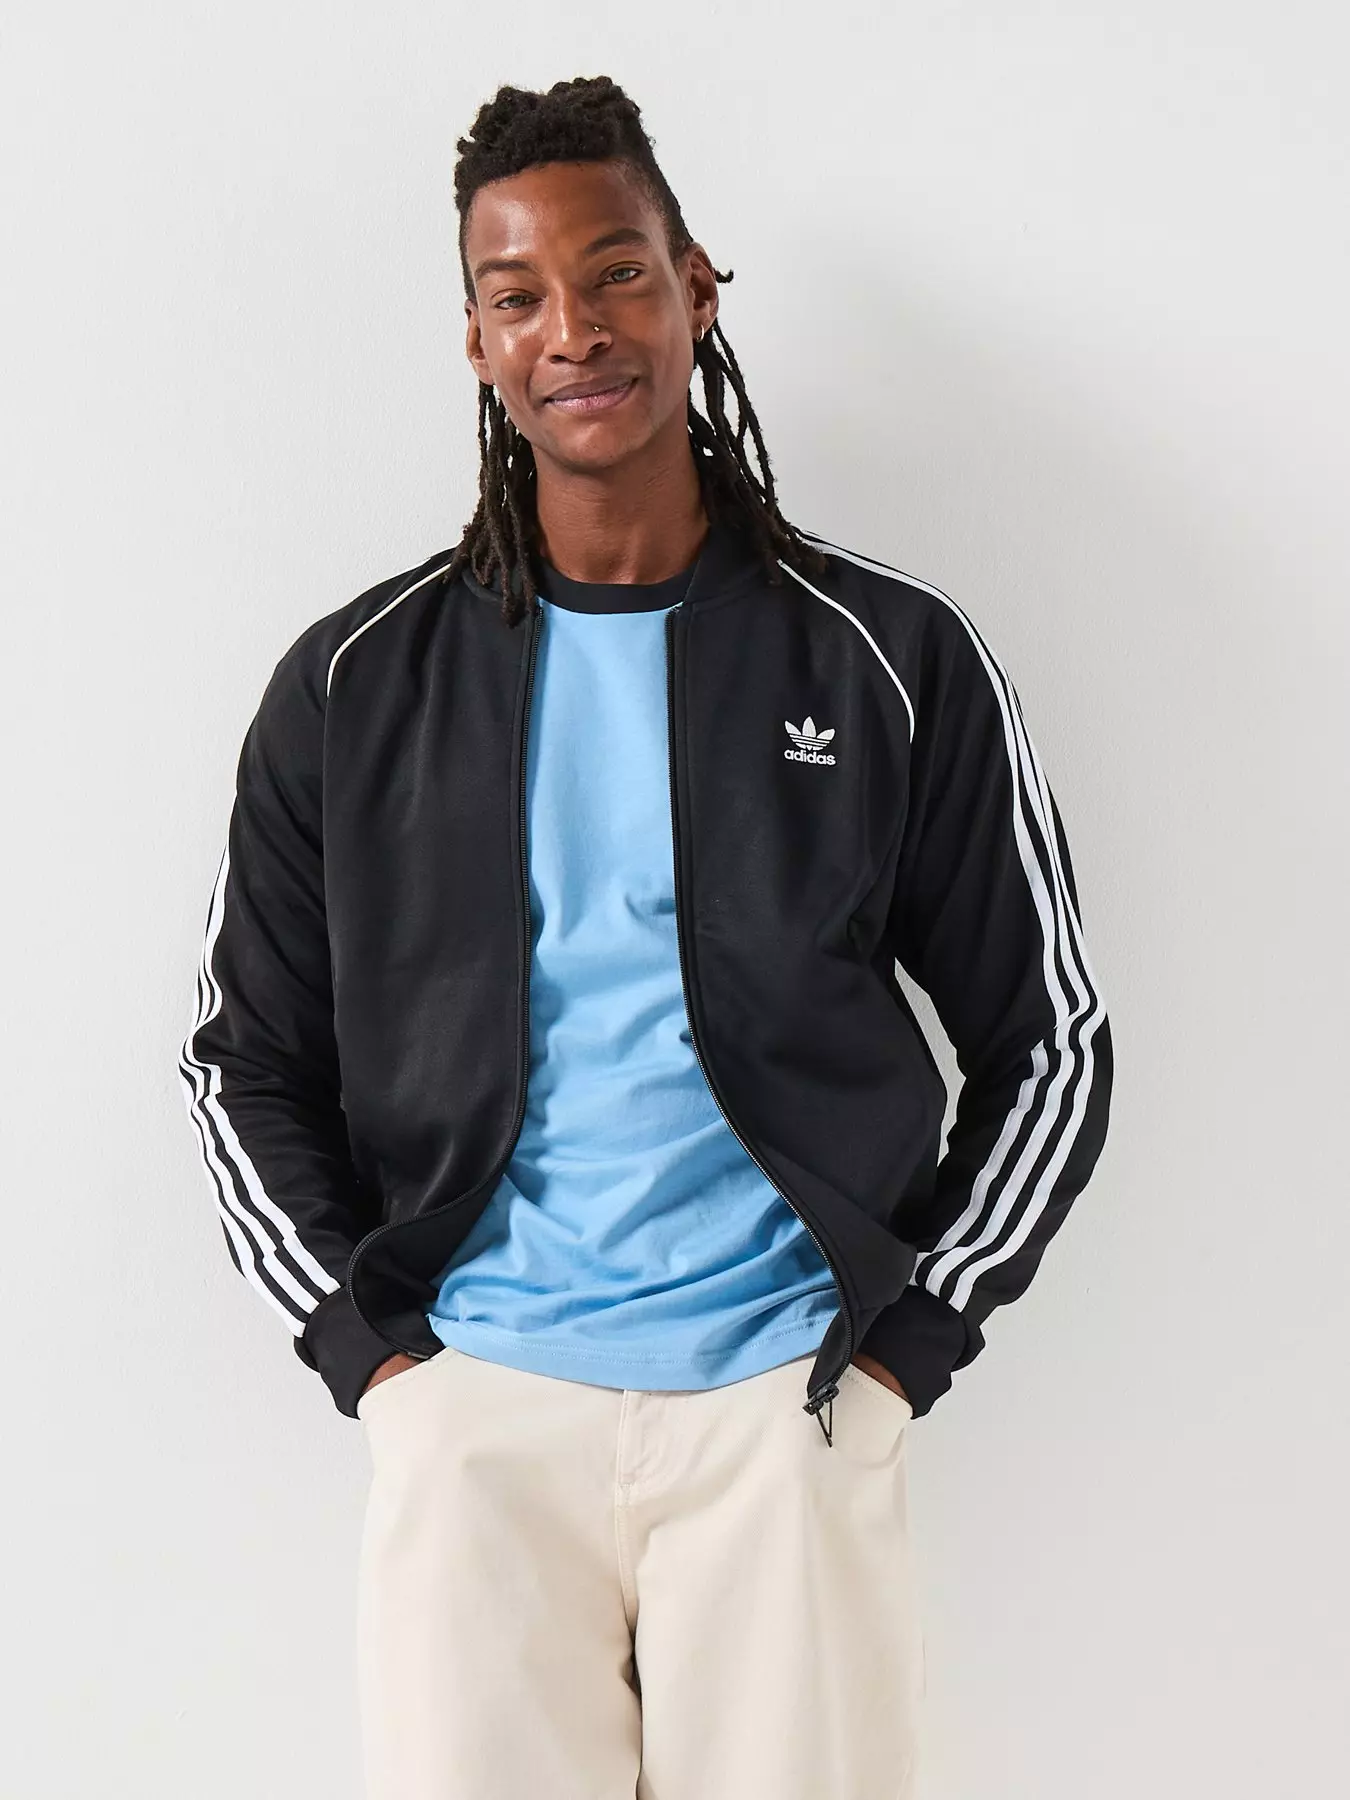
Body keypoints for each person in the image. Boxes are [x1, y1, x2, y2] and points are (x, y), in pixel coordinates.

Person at [177, 73, 1114, 1800]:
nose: (574, 328)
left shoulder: (886, 656)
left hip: (780, 1414)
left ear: (695, 287)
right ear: (477, 342)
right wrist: (382, 1371)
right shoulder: (354, 685)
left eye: (615, 271)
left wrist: (900, 1353)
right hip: (477, 1425)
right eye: (517, 293)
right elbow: (243, 1060)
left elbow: (1049, 1037)